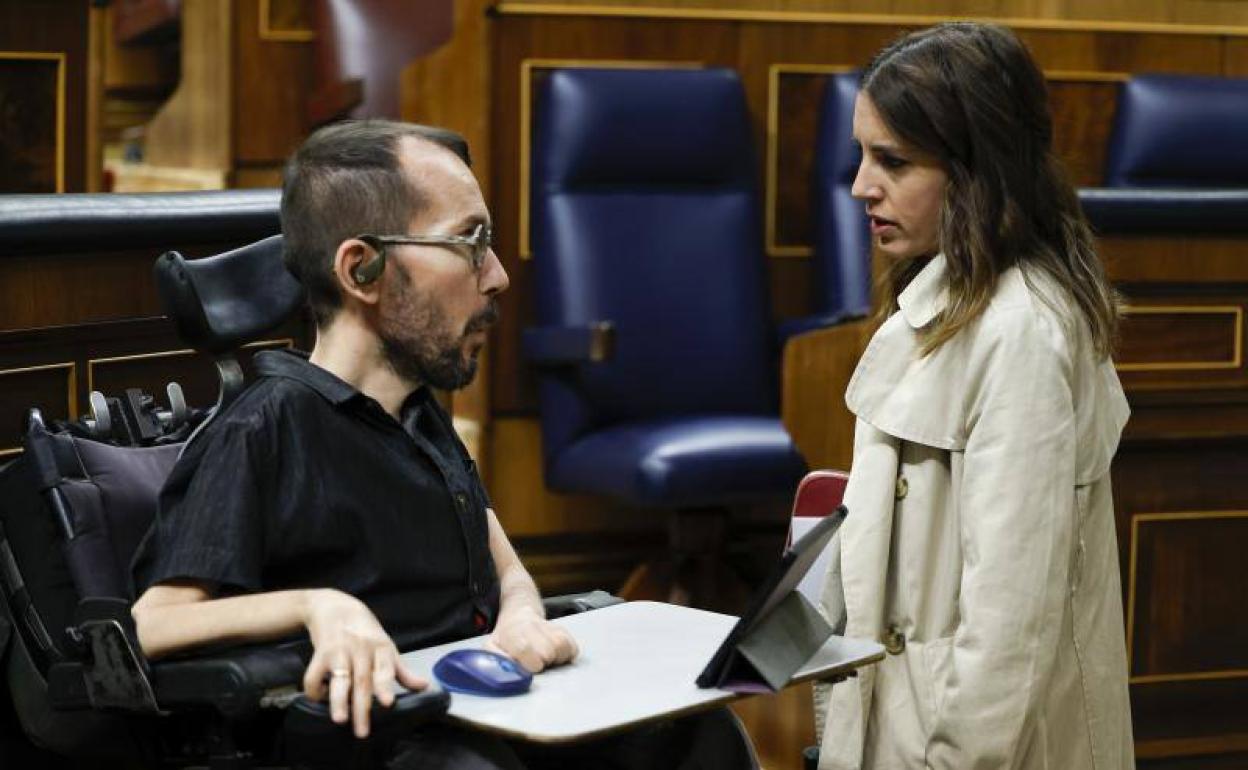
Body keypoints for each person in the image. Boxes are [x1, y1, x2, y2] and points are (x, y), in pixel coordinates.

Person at [130, 121, 754, 769]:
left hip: (483, 714)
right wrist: (321, 607)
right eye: (470, 243)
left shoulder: (419, 414)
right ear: (361, 269)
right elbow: (151, 624)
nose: (498, 276)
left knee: (702, 738)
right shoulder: (265, 425)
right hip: (382, 739)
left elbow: (506, 567)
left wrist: (519, 617)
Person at [813, 23, 1134, 770]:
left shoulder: (1020, 333)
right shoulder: (945, 295)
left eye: (892, 161)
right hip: (911, 717)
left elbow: (1008, 626)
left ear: (976, 171)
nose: (862, 184)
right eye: (862, 155)